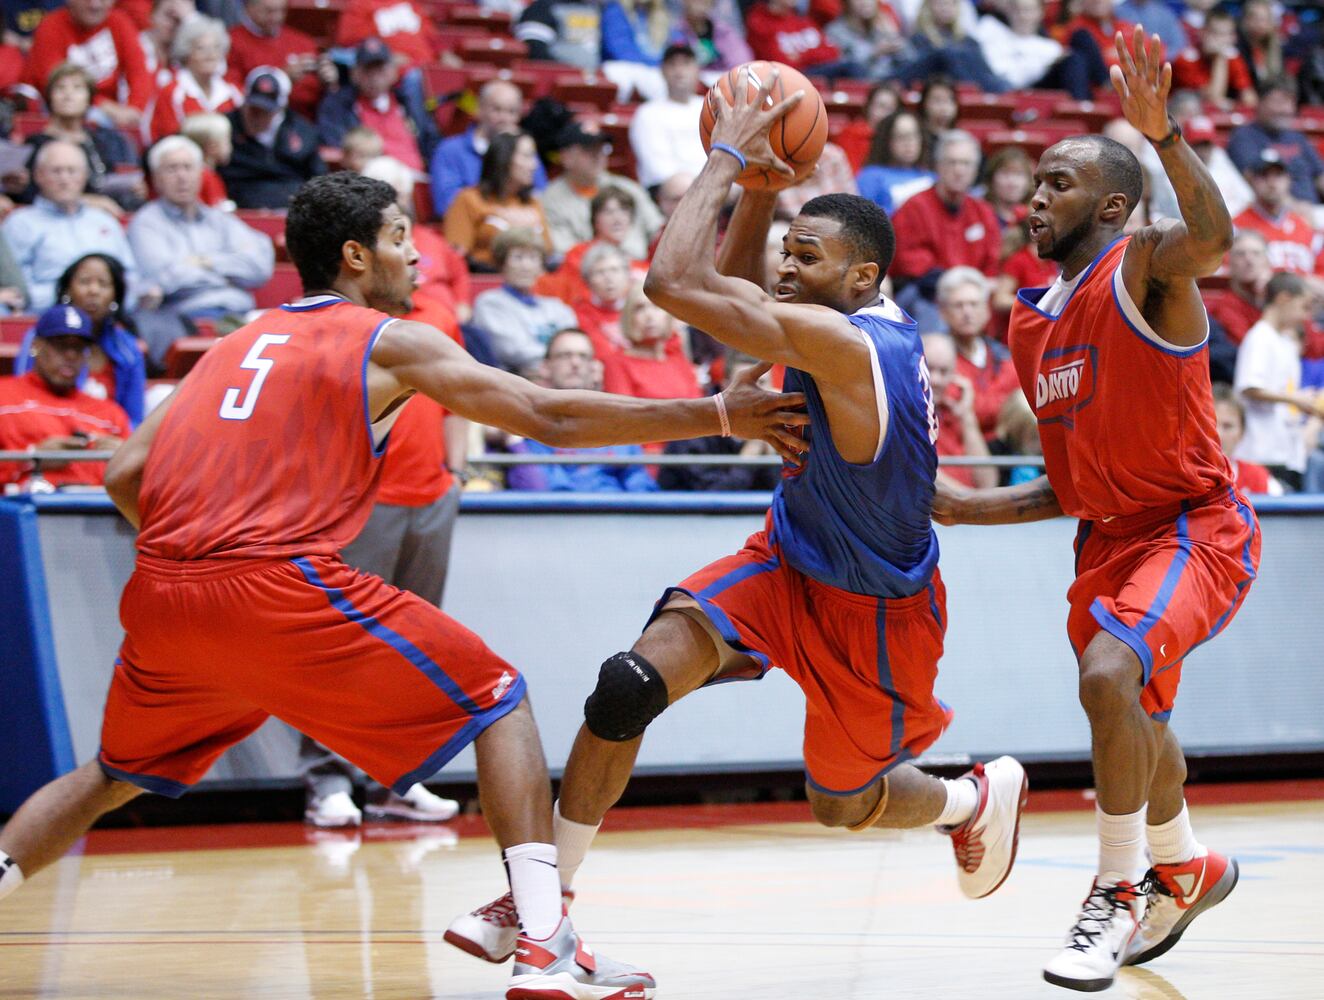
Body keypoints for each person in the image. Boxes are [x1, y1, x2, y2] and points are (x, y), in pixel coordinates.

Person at [0, 171, 806, 999]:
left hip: (166, 592)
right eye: (397, 237)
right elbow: (549, 416)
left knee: (110, 774)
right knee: (499, 698)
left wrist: (202, 554)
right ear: (354, 256)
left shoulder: (234, 343)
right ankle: (545, 947)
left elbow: (124, 472)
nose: (416, 254)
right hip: (275, 583)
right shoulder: (387, 339)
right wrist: (713, 414)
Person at [446, 66, 1029, 970]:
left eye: (808, 257)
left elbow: (675, 283)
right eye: (787, 253)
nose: (787, 269)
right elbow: (734, 297)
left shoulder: (847, 344)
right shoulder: (828, 317)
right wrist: (761, 191)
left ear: (864, 274)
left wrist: (722, 157)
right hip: (784, 560)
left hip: (873, 615)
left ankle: (971, 801)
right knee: (627, 683)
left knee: (842, 804)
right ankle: (543, 906)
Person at [934, 28, 1261, 992]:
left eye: (1057, 184)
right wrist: (963, 508)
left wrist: (1163, 136)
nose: (1033, 197)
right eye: (1030, 183)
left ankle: (1116, 891)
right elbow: (1071, 482)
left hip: (1195, 525)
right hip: (1107, 538)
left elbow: (1215, 241)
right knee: (1137, 710)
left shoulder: (1147, 267)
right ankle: (1187, 860)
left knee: (1111, 673)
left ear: (1112, 206)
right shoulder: (1030, 321)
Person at [128, 135, 276, 364]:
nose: (181, 176)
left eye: (188, 168)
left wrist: (205, 261)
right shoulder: (146, 223)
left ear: (201, 174)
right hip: (183, 321)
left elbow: (259, 267)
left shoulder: (220, 220)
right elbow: (162, 278)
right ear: (156, 179)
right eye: (172, 169)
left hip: (240, 318)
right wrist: (229, 273)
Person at [504, 328, 660, 492]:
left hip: (618, 513)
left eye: (583, 356)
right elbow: (541, 489)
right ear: (545, 367)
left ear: (594, 368)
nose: (575, 363)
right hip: (560, 514)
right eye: (565, 355)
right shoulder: (531, 424)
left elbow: (640, 485)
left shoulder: (617, 424)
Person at [0, 304, 131, 490]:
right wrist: (31, 458)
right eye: (60, 345)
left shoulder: (111, 414)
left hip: (100, 512)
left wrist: (126, 460)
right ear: (36, 345)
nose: (70, 355)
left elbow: (143, 489)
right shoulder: (3, 395)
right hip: (22, 510)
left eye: (78, 348)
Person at [2, 140, 141, 312]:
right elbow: (18, 290)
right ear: (38, 175)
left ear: (85, 176)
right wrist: (75, 295)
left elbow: (130, 277)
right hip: (48, 320)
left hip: (109, 318)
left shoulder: (105, 221)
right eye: (56, 171)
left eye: (72, 171)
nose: (64, 179)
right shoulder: (20, 224)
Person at [15, 253, 146, 426]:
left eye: (104, 284)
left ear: (116, 295)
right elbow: (23, 394)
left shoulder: (127, 348)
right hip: (45, 429)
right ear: (67, 290)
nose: (93, 291)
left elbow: (135, 417)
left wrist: (118, 441)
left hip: (110, 437)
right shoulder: (40, 336)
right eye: (84, 282)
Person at [1232, 270, 1320, 491]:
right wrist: (1297, 399)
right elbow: (1250, 387)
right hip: (1261, 451)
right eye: (1304, 306)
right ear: (1284, 298)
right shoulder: (1260, 337)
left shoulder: (1284, 342)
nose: (1306, 317)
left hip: (1283, 449)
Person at [19, 63, 143, 214]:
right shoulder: (35, 143)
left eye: (77, 88)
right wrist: (88, 201)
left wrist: (132, 188)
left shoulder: (99, 141)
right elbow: (31, 195)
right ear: (50, 98)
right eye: (60, 88)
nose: (68, 95)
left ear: (89, 99)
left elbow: (106, 181)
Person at [22, 0, 152, 129]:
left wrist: (134, 108)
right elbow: (55, 85)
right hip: (59, 112)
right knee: (95, 117)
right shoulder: (50, 27)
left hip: (113, 114)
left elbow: (139, 73)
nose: (95, 4)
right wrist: (106, 107)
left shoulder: (119, 22)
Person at [316, 37, 439, 174]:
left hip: (417, 181)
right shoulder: (338, 106)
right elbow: (338, 149)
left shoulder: (409, 103)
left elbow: (432, 143)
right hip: (369, 182)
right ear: (355, 73)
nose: (374, 77)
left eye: (380, 69)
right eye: (368, 70)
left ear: (393, 72)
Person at [429, 79, 547, 219]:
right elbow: (446, 204)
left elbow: (541, 197)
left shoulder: (526, 151)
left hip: (518, 229)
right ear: (479, 109)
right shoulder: (450, 150)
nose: (505, 118)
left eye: (512, 111)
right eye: (497, 109)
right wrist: (500, 213)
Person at [543, 122, 661, 260]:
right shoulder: (550, 199)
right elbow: (563, 252)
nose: (598, 156)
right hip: (587, 274)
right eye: (588, 149)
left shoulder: (629, 189)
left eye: (602, 149)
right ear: (566, 157)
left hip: (640, 271)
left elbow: (658, 232)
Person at [472, 227, 578, 376]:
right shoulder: (490, 303)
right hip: (516, 382)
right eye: (518, 257)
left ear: (541, 267)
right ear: (502, 263)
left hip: (559, 379)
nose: (526, 266)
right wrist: (560, 358)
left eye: (533, 258)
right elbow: (513, 351)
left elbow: (575, 345)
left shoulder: (558, 308)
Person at [220, 67, 326, 210]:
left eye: (265, 111)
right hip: (238, 204)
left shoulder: (304, 132)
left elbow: (318, 179)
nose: (257, 116)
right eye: (253, 109)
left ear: (280, 108)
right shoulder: (224, 128)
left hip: (290, 205)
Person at [443, 132, 551, 272]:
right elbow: (456, 258)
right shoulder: (468, 200)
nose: (534, 165)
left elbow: (547, 253)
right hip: (485, 283)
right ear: (503, 159)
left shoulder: (532, 203)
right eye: (527, 156)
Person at [936, 267, 1020, 440]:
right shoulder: (936, 360)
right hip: (959, 451)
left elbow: (1022, 407)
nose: (967, 313)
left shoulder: (1003, 357)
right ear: (943, 312)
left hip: (1006, 448)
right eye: (958, 305)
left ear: (987, 310)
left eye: (974, 304)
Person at [1226, 78, 1324, 207]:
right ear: (1260, 103)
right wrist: (1296, 209)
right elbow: (1255, 182)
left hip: (1315, 211)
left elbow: (1320, 176)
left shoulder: (1298, 137)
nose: (1284, 110)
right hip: (1276, 212)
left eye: (1289, 102)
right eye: (1277, 102)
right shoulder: (1244, 137)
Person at [146, 15, 243, 144]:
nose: (210, 55)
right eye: (201, 48)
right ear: (186, 53)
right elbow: (166, 136)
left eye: (216, 48)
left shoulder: (233, 93)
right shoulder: (172, 92)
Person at [628, 43, 708, 193]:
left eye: (686, 64)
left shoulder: (711, 107)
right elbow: (658, 169)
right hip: (669, 192)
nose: (679, 71)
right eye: (672, 65)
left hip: (715, 187)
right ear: (662, 71)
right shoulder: (647, 113)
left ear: (697, 70)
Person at [228, 0, 329, 120]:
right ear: (248, 8)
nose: (277, 17)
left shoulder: (303, 42)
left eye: (282, 10)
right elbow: (232, 91)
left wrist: (328, 83)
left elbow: (315, 94)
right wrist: (281, 77)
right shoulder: (232, 41)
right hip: (257, 119)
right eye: (269, 11)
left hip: (304, 120)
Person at [922, 331, 996, 488]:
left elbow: (988, 482)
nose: (935, 380)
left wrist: (967, 418)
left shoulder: (954, 408)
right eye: (929, 369)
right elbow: (921, 472)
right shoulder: (904, 411)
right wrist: (972, 502)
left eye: (944, 371)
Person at [1169, 9, 1256, 112]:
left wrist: (1233, 105)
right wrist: (1220, 58)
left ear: (1234, 38)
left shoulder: (1233, 57)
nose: (1221, 40)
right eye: (1215, 33)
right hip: (1177, 116)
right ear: (1202, 33)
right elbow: (1212, 99)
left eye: (1226, 34)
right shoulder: (1186, 59)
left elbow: (1250, 99)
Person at [856, 108, 935, 214]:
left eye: (914, 135)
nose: (909, 142)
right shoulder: (870, 176)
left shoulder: (932, 176)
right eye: (901, 137)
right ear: (887, 141)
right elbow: (862, 218)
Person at [1211, 382, 1281, 497]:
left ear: (1241, 432)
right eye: (1212, 425)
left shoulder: (1260, 479)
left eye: (1227, 426)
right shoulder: (1186, 480)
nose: (1218, 434)